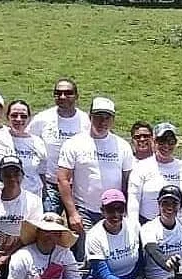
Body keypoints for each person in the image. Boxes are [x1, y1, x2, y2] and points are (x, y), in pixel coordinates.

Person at [57, 97, 133, 263]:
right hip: (85, 211)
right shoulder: (74, 143)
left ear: (112, 120)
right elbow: (63, 179)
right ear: (90, 116)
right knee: (86, 257)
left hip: (114, 211)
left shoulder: (122, 146)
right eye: (98, 116)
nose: (102, 122)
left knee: (113, 255)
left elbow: (128, 181)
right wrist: (72, 213)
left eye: (107, 117)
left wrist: (126, 210)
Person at [26, 78, 90, 214]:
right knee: (48, 229)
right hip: (50, 184)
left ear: (77, 96)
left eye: (68, 93)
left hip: (77, 186)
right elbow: (27, 141)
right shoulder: (42, 119)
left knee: (79, 228)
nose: (62, 97)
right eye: (58, 93)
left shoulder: (86, 121)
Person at [86, 189, 147, 279]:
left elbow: (141, 258)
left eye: (120, 209)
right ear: (102, 211)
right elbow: (104, 275)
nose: (115, 214)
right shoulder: (94, 236)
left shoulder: (134, 226)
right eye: (110, 210)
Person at [127, 122, 182, 224]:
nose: (166, 145)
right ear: (153, 141)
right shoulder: (141, 167)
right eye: (161, 141)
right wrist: (134, 228)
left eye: (171, 142)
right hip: (146, 223)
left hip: (175, 226)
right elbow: (133, 202)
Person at [0, 100, 47, 196]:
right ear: (7, 117)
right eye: (14, 115)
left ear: (29, 119)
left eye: (23, 116)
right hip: (4, 196)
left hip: (33, 196)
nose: (19, 119)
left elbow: (41, 173)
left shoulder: (37, 142)